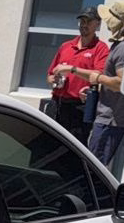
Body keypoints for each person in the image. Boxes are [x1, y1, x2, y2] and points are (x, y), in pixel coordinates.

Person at [56, 0, 124, 168]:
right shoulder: (119, 45)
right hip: (104, 117)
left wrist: (97, 78)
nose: (107, 22)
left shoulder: (123, 48)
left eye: (110, 18)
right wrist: (96, 88)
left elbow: (122, 83)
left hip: (111, 120)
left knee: (93, 169)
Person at [44, 8, 106, 144]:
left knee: (74, 146)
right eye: (82, 21)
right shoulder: (66, 46)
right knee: (48, 144)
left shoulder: (100, 48)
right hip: (57, 103)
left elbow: (98, 75)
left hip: (79, 106)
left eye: (88, 22)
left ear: (97, 24)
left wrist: (72, 69)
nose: (84, 25)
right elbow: (49, 75)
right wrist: (53, 80)